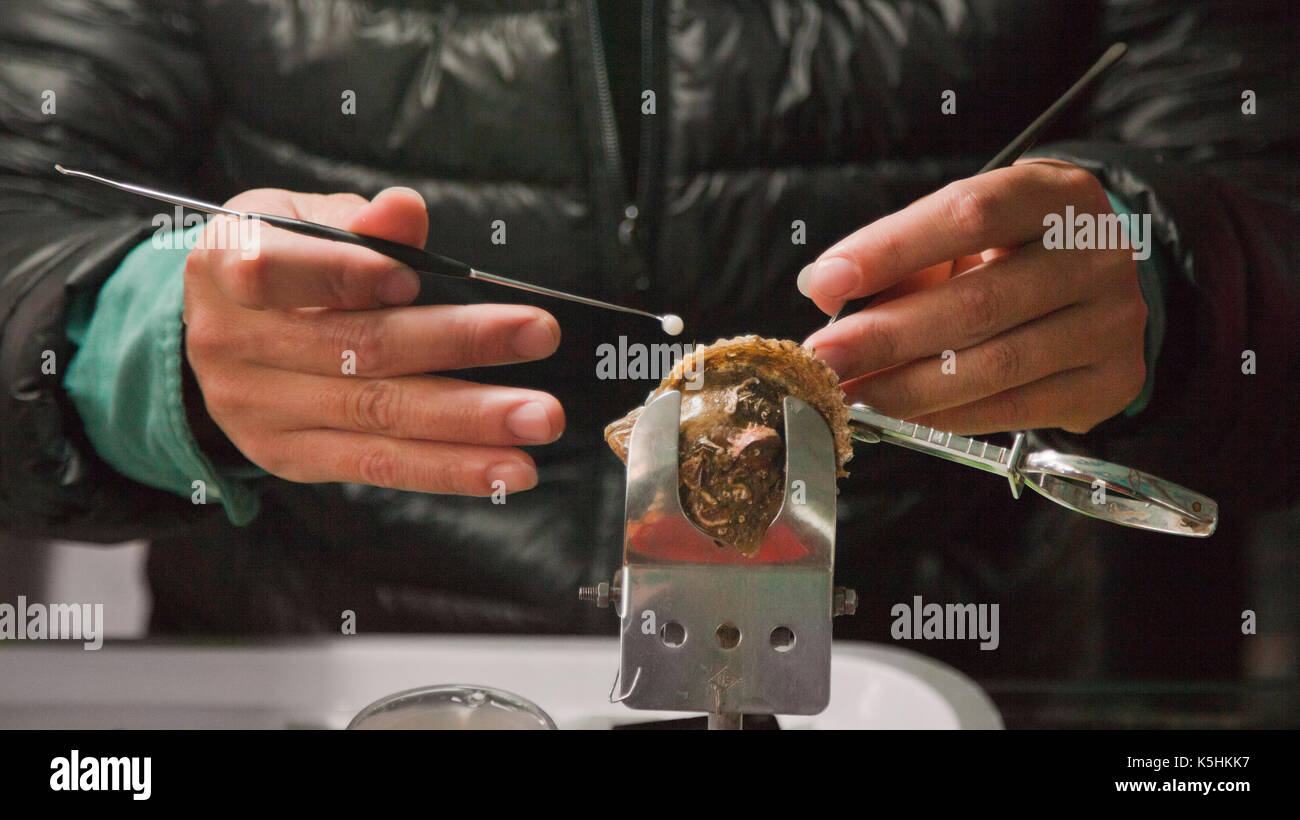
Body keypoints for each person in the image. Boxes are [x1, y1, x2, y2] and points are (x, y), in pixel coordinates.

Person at [0, 0, 1294, 679]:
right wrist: (129, 343)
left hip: (1006, 682)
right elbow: (28, 192)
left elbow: (1270, 212)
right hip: (343, 679)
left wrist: (1182, 281)